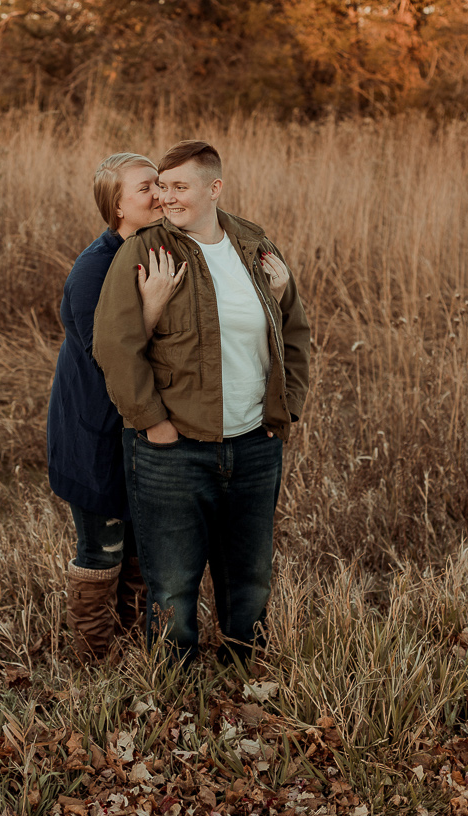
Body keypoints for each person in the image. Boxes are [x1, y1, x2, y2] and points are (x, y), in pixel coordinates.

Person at [93, 140, 309, 665]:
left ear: (214, 189)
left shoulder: (255, 246)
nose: (166, 198)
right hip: (174, 451)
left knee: (250, 580)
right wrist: (155, 425)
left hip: (255, 445)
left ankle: (244, 674)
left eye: (179, 187)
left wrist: (287, 409)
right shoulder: (144, 252)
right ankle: (172, 695)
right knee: (172, 588)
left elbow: (294, 329)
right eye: (161, 187)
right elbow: (113, 345)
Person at [47, 153, 185, 663]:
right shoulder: (94, 269)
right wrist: (151, 307)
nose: (160, 194)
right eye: (146, 187)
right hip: (94, 429)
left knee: (137, 548)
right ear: (118, 206)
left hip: (139, 425)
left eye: (161, 183)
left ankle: (132, 646)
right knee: (101, 549)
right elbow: (107, 357)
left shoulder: (158, 249)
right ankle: (90, 659)